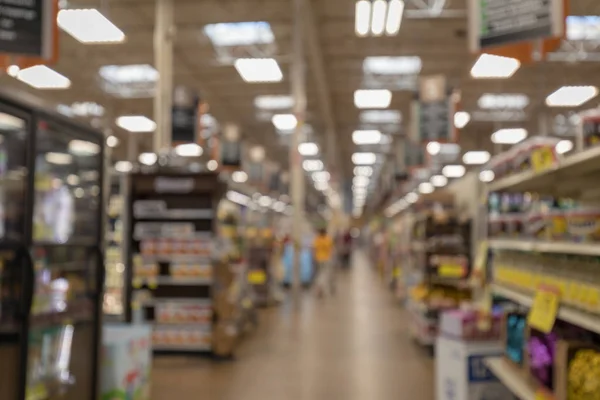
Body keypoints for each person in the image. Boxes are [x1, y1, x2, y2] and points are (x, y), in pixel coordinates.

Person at [313, 228, 335, 297]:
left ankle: (319, 287)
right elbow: (331, 249)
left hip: (319, 259)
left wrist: (314, 258)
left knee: (320, 273)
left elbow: (314, 249)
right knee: (324, 274)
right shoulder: (328, 239)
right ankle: (320, 287)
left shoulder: (317, 239)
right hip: (326, 259)